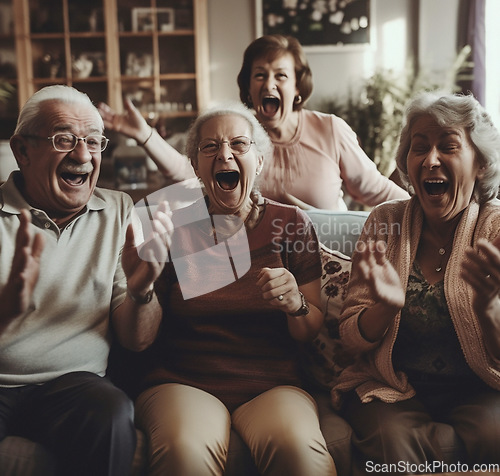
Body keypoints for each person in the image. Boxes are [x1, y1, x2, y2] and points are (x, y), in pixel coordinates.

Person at [130, 102, 337, 475]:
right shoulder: (172, 228)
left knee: (299, 453)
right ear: (195, 166)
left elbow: (310, 329)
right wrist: (143, 283)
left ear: (258, 161)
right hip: (183, 381)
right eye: (210, 147)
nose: (224, 154)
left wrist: (297, 304)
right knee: (183, 452)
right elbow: (138, 337)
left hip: (272, 384)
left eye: (238, 144)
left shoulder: (290, 223)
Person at [0, 85, 172, 475]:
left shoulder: (119, 210)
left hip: (74, 386)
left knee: (111, 412)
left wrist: (142, 291)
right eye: (64, 139)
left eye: (93, 141)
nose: (82, 155)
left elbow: (137, 340)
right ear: (22, 150)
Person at [331, 91, 500, 473]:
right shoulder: (385, 222)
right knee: (390, 445)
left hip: (480, 386)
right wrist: (385, 307)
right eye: (419, 147)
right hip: (393, 385)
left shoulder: (496, 229)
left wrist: (490, 311)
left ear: (481, 164)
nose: (431, 159)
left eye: (449, 146)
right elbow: (350, 336)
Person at [98, 34, 409, 211]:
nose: (269, 84)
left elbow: (382, 193)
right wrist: (144, 134)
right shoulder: (237, 135)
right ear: (248, 86)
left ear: (297, 88)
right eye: (259, 75)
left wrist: (430, 217)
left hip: (325, 265)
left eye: (281, 76)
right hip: (261, 268)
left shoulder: (329, 129)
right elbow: (190, 173)